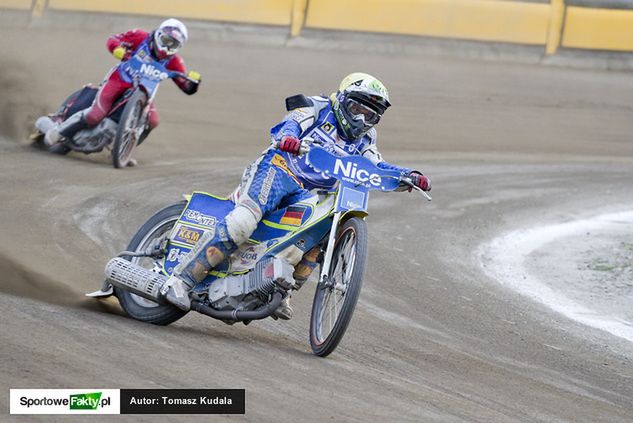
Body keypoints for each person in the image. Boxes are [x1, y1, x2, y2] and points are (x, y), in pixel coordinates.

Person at [165, 72, 431, 319]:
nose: (362, 120)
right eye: (356, 109)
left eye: (370, 116)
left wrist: (408, 175)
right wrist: (289, 137)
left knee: (320, 231)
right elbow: (290, 123)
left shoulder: (366, 138)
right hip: (279, 169)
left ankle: (279, 289)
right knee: (244, 221)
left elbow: (376, 166)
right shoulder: (315, 107)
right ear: (341, 100)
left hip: (309, 192)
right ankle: (181, 279)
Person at [44, 18, 201, 149]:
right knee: (95, 115)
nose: (167, 47)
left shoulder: (175, 61)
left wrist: (194, 82)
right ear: (159, 34)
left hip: (145, 93)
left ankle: (124, 150)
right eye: (166, 40)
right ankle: (58, 133)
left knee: (153, 121)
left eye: (173, 45)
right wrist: (117, 49)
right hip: (119, 80)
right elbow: (113, 40)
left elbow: (186, 87)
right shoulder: (140, 36)